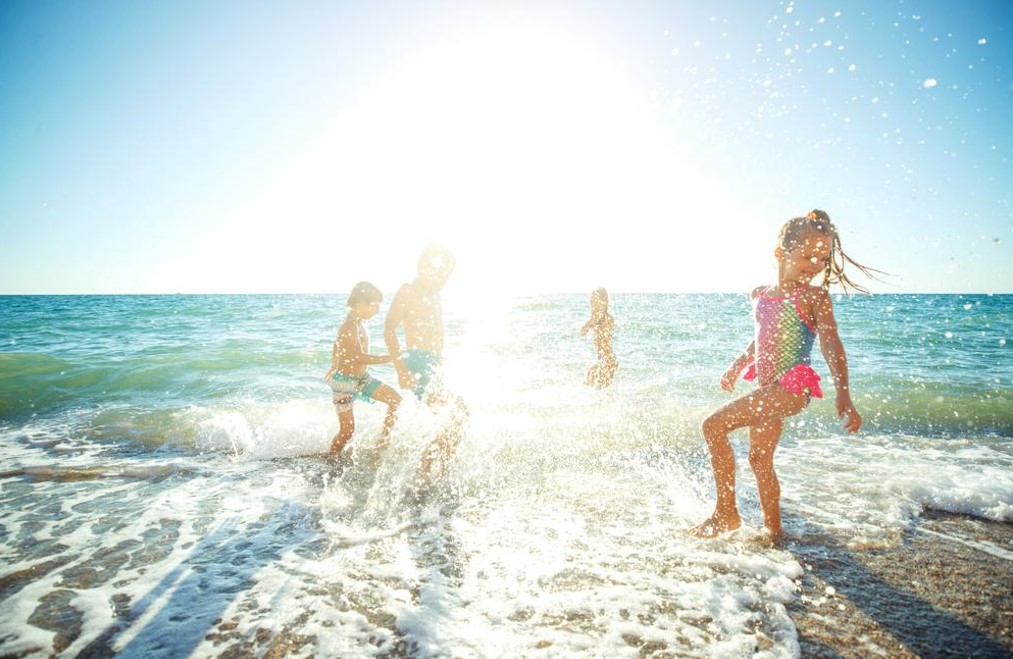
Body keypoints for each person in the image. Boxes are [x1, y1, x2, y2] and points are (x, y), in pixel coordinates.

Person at [690, 209, 878, 543]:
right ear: (780, 253)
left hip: (791, 387)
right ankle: (775, 533)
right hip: (768, 388)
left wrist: (844, 394)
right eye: (808, 255)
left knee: (712, 426)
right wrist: (737, 365)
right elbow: (763, 336)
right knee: (759, 458)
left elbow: (832, 343)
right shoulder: (760, 294)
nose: (815, 265)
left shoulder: (814, 297)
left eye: (822, 258)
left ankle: (725, 514)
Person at [384, 244, 468, 481]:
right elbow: (390, 329)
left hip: (433, 364)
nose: (444, 279)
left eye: (447, 275)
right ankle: (424, 473)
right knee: (457, 416)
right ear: (423, 267)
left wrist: (441, 360)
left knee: (455, 418)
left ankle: (436, 471)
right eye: (440, 273)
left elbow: (435, 333)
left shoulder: (435, 295)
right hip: (417, 362)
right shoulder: (408, 291)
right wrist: (400, 368)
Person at [324, 281, 401, 459]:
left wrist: (333, 363)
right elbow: (358, 357)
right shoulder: (349, 325)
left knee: (395, 400)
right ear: (360, 304)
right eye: (374, 305)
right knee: (347, 432)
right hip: (344, 383)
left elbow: (337, 346)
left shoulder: (358, 323)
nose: (377, 310)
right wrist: (390, 358)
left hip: (362, 378)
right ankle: (331, 458)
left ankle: (382, 442)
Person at [580, 287, 617, 388]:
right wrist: (591, 322)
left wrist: (591, 322)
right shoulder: (595, 320)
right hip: (602, 361)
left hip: (608, 362)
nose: (592, 306)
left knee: (600, 389)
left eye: (595, 302)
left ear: (604, 303)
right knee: (589, 380)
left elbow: (585, 329)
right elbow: (582, 332)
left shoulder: (607, 319)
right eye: (591, 302)